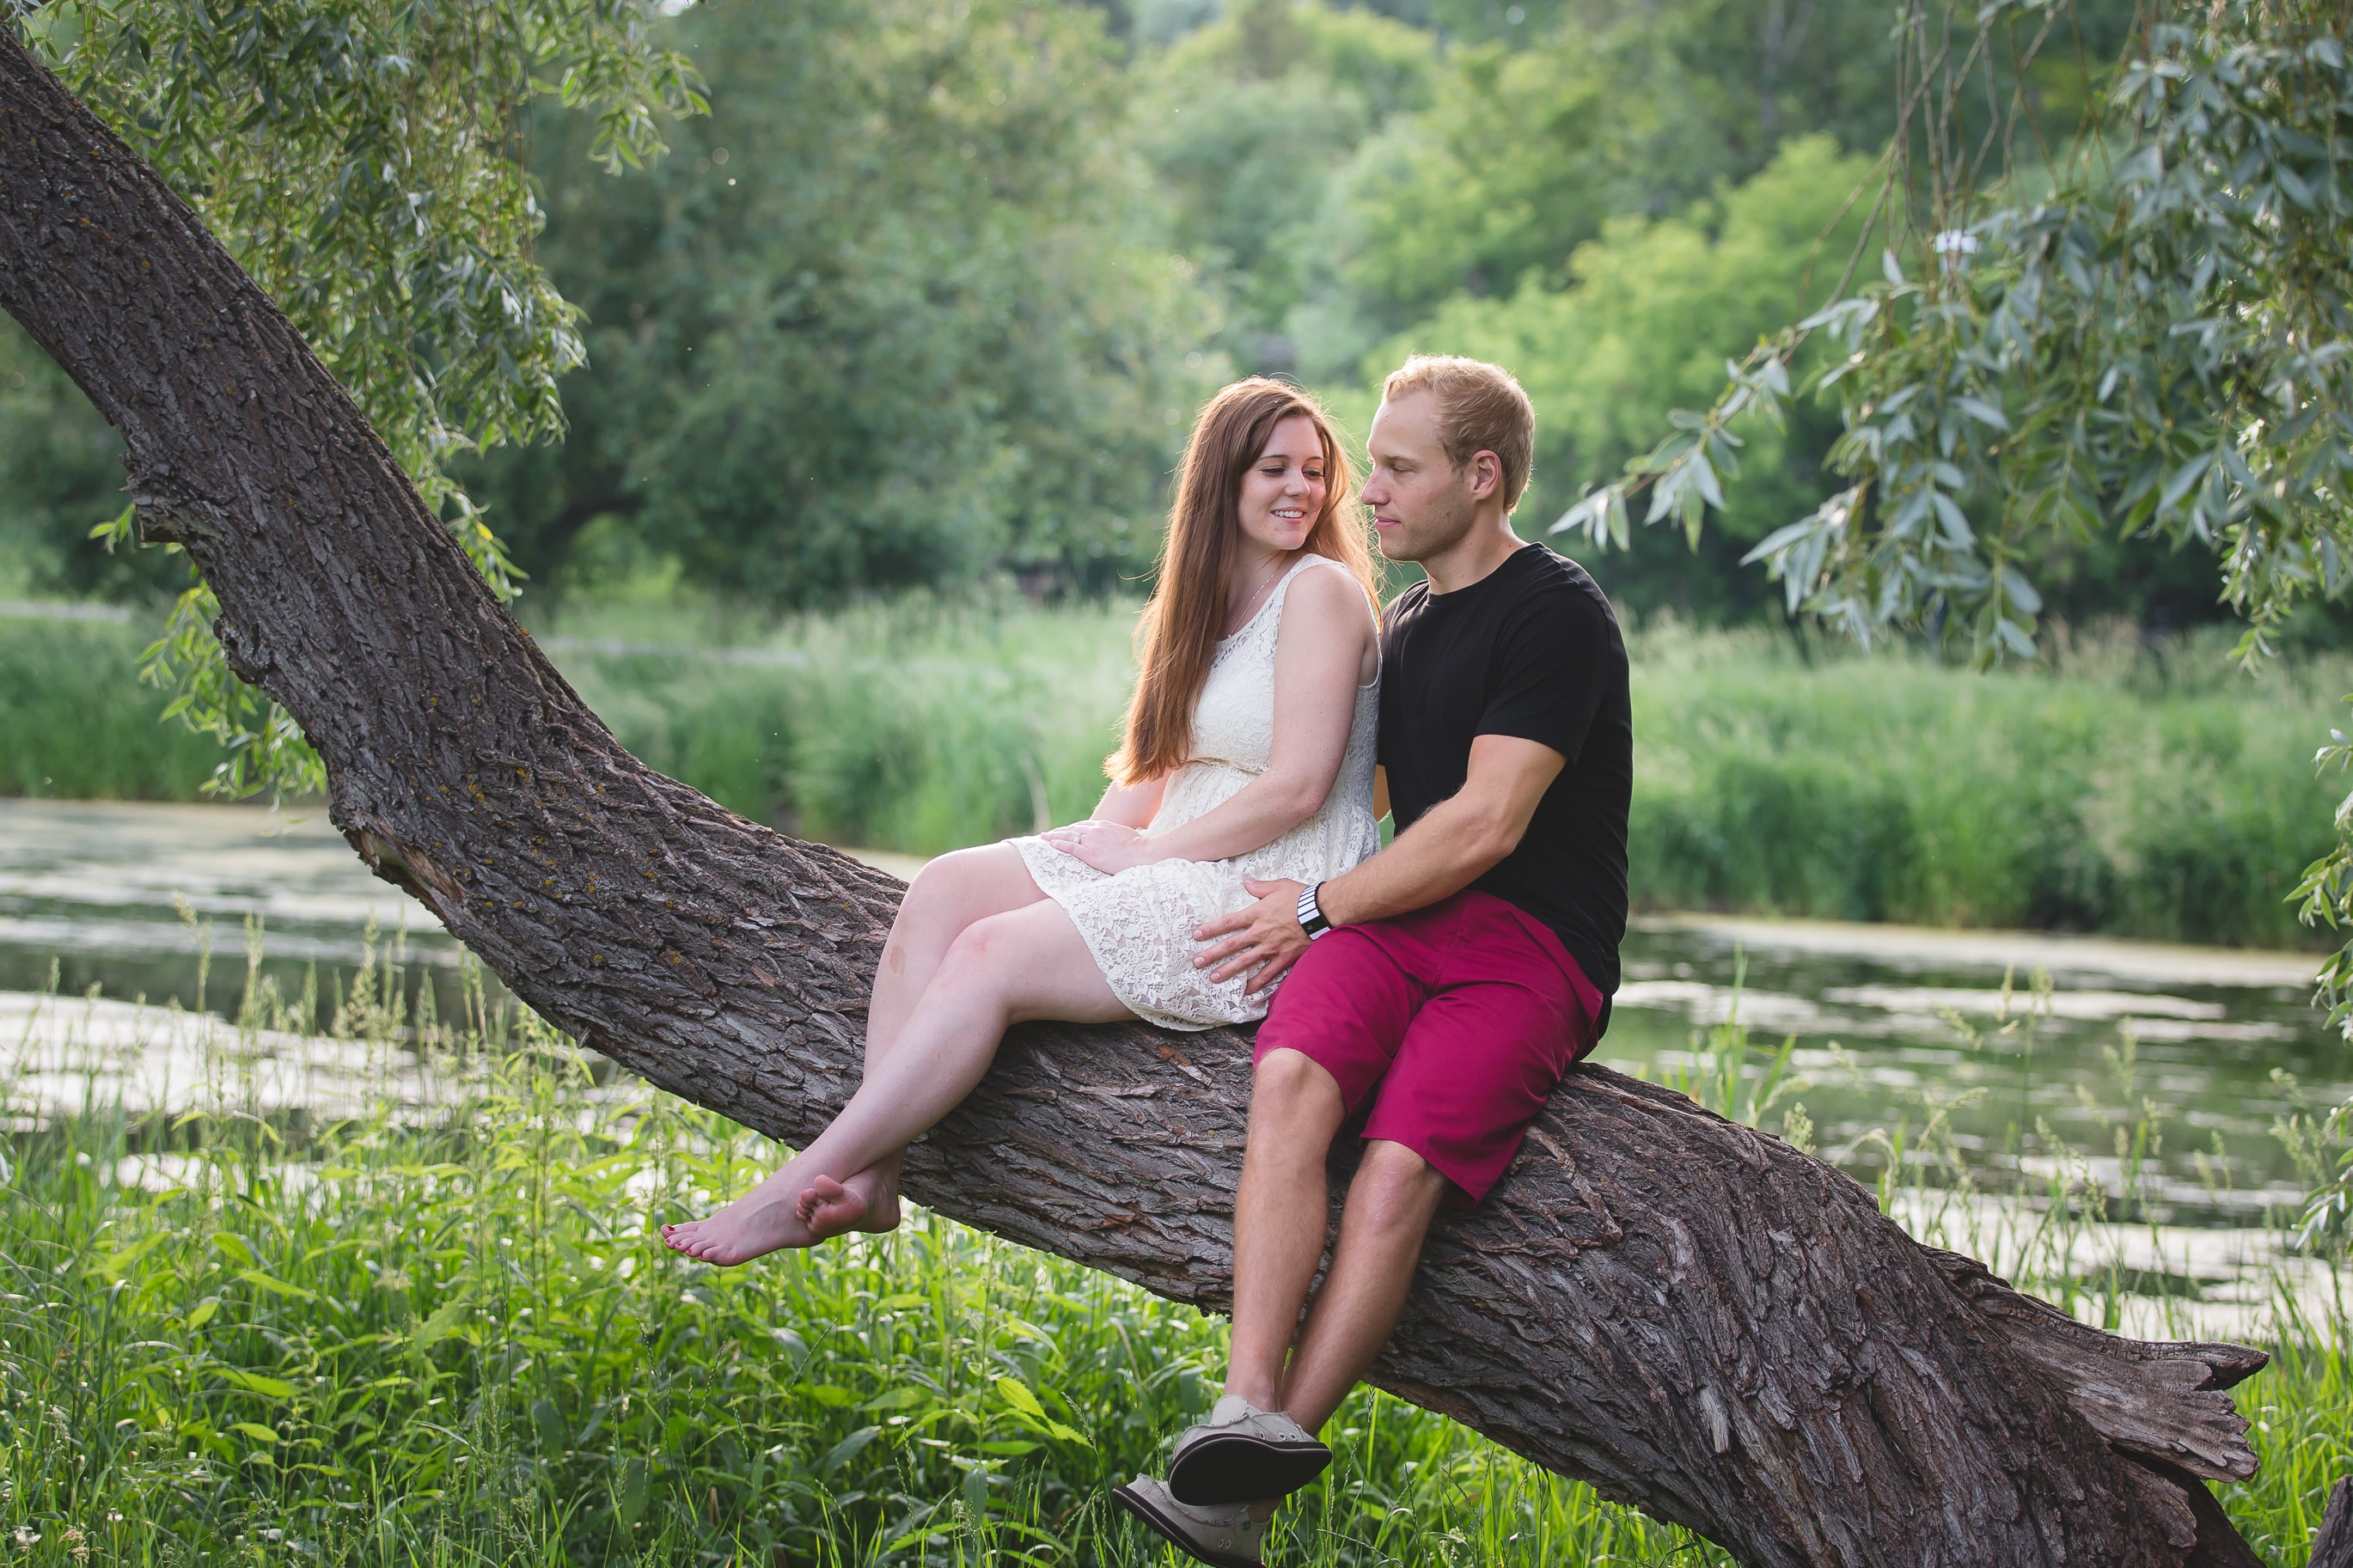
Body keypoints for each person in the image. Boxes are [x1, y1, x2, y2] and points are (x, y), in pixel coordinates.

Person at [660, 378, 1383, 1265]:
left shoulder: (1321, 592)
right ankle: (873, 1183)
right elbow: (1157, 765)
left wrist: (1143, 853)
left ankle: (798, 1182)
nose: (1300, 490)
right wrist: (1073, 851)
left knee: (988, 954)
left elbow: (1299, 786)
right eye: (1273, 468)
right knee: (944, 886)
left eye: (1315, 471)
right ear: (1219, 482)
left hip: (1262, 886)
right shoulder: (1195, 604)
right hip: (1181, 853)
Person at [1111, 356, 1631, 1566]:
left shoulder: (1556, 609)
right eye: (1376, 466)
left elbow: (1484, 824)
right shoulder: (1398, 623)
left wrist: (1319, 905)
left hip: (1526, 947)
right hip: (1393, 920)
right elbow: (1328, 782)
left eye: (1397, 468)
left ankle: (1237, 1496)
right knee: (1289, 1083)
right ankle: (1241, 1404)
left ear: (1480, 477)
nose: (1369, 491)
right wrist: (1145, 834)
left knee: (1394, 1175)